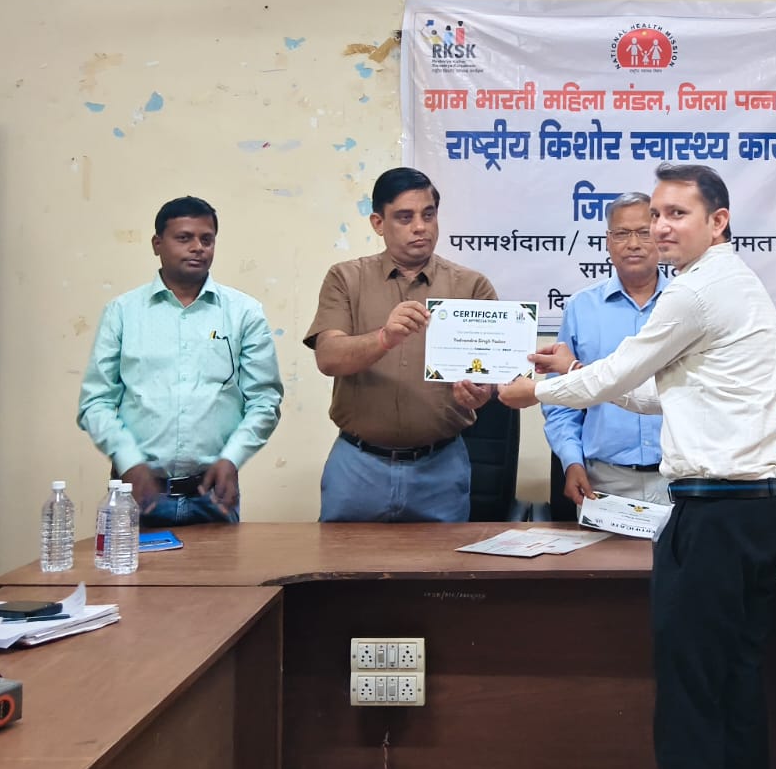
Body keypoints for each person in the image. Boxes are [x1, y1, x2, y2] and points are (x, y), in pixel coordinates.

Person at [456, 163, 776, 769]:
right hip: (753, 511)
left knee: (690, 695)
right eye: (655, 214)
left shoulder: (693, 292)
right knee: (735, 684)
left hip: (713, 516)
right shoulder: (736, 283)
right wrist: (573, 370)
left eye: (676, 214)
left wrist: (535, 390)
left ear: (718, 222)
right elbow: (659, 394)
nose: (659, 228)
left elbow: (618, 375)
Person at [305, 167, 496, 522]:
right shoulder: (345, 278)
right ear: (378, 223)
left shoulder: (471, 287)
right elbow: (328, 358)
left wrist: (482, 392)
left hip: (441, 468)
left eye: (428, 215)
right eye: (405, 217)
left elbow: (491, 376)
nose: (420, 227)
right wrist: (384, 338)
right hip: (358, 465)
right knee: (341, 557)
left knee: (441, 561)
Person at [77, 196, 283, 524]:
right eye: (184, 238)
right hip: (137, 495)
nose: (198, 247)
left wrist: (232, 458)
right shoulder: (123, 312)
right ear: (157, 244)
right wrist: (129, 461)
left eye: (207, 239)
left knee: (220, 563)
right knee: (129, 563)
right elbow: (95, 402)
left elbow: (265, 401)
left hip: (212, 495)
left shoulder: (244, 312)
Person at [542, 192, 671, 508]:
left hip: (679, 477)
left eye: (644, 232)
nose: (633, 244)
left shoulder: (686, 304)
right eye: (622, 234)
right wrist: (571, 461)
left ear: (660, 237)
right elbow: (561, 399)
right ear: (608, 242)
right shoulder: (581, 308)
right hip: (603, 479)